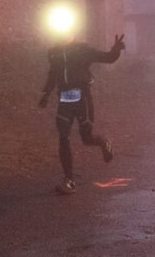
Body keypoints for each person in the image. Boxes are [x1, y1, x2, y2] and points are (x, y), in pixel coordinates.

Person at [38, 33, 126, 194]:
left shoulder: (82, 50)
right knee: (63, 137)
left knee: (87, 138)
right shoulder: (54, 53)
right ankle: (69, 180)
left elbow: (107, 58)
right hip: (64, 100)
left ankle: (103, 142)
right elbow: (53, 74)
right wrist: (46, 94)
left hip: (82, 99)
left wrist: (116, 49)